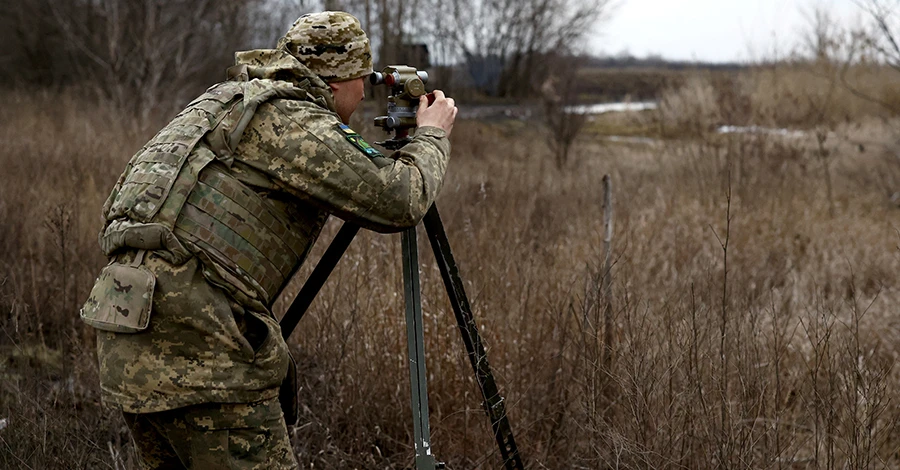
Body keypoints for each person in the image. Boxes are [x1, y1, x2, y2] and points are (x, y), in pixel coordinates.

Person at [79, 11, 457, 469]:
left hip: (127, 337)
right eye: (362, 80)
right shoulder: (291, 119)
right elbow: (401, 198)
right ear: (336, 84)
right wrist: (432, 134)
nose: (364, 93)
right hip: (203, 351)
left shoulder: (223, 101)